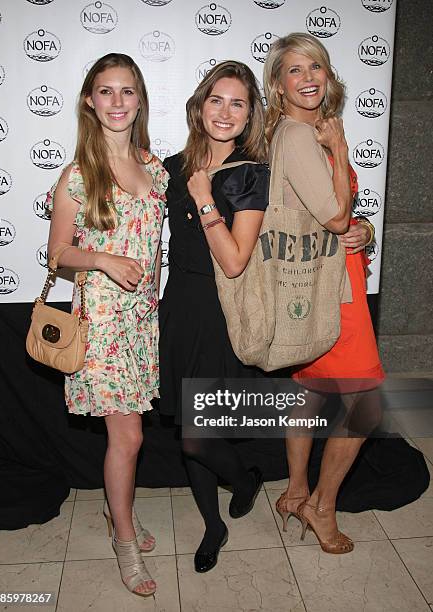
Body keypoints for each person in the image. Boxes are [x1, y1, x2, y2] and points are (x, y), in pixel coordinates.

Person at [46, 53, 168, 596]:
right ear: (90, 102)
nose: (117, 102)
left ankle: (118, 510)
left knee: (129, 439)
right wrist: (103, 260)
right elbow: (57, 255)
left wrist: (154, 291)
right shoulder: (77, 175)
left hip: (142, 325)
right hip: (100, 324)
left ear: (139, 100)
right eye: (106, 91)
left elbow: (156, 246)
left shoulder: (155, 167)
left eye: (127, 91)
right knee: (129, 435)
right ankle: (124, 539)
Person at [263, 33, 384, 553]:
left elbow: (341, 217)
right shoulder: (298, 135)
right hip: (333, 291)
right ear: (278, 84)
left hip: (329, 279)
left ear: (329, 75)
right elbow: (334, 216)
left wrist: (367, 230)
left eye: (316, 66)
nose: (308, 76)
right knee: (365, 404)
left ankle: (295, 491)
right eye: (294, 69)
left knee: (308, 392)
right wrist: (339, 150)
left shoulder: (309, 129)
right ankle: (321, 506)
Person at [159, 60, 269, 572]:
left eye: (238, 103)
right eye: (216, 100)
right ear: (199, 106)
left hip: (221, 310)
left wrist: (206, 200)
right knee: (189, 424)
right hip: (178, 307)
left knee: (197, 432)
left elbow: (233, 259)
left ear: (250, 116)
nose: (225, 112)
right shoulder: (170, 166)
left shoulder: (250, 174)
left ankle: (245, 480)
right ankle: (213, 525)